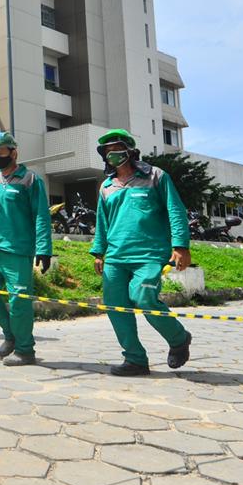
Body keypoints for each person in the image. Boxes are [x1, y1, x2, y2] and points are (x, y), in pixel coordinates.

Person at [90, 128, 193, 377]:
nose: (112, 155)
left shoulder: (156, 177)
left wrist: (180, 246)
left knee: (144, 298)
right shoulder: (106, 186)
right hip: (115, 256)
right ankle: (135, 359)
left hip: (148, 254)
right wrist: (98, 252)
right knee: (116, 306)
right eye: (107, 152)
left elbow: (175, 211)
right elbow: (102, 221)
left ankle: (179, 338)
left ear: (130, 151)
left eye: (117, 150)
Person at [0, 131, 53, 366]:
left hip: (17, 250)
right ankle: (10, 335)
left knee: (19, 302)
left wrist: (44, 248)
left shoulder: (30, 179)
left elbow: (41, 216)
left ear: (14, 152)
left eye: (1, 152)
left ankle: (26, 350)